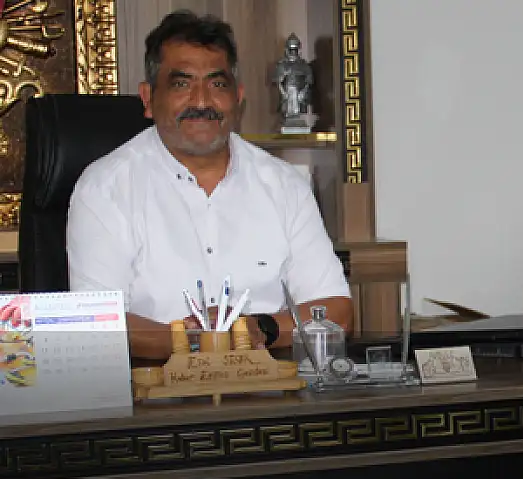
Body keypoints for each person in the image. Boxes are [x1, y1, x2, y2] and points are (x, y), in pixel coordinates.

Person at [66, 11, 352, 360]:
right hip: (154, 384)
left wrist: (259, 328)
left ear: (238, 96)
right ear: (148, 98)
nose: (201, 102)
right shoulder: (104, 188)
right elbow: (98, 323)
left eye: (217, 85)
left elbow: (336, 311)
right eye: (181, 84)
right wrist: (196, 341)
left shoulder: (284, 185)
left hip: (266, 382)